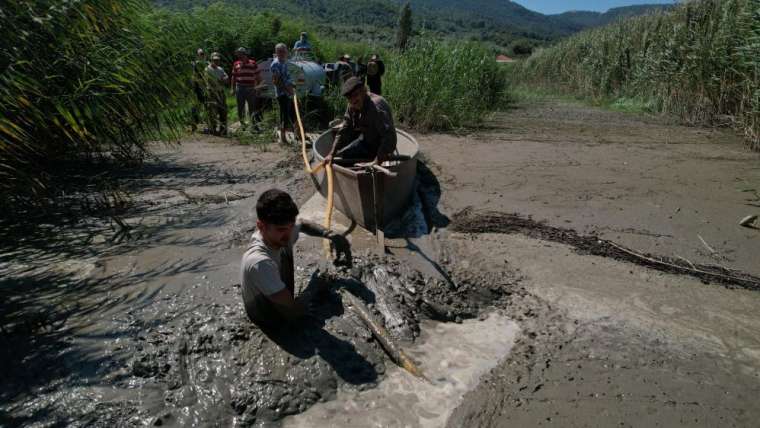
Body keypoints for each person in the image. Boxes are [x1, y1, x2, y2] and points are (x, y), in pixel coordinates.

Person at [240, 189, 351, 328]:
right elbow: (293, 308)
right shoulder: (259, 262)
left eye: (290, 226)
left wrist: (331, 235)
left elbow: (302, 224)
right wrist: (313, 292)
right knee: (317, 293)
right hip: (269, 317)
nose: (288, 234)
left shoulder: (280, 234)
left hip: (279, 295)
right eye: (281, 229)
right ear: (261, 226)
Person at [325, 77, 397, 165]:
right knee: (341, 157)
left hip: (382, 147)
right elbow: (344, 129)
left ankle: (373, 160)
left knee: (366, 165)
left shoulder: (375, 107)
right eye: (349, 98)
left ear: (363, 91)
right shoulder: (351, 105)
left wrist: (376, 161)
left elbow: (389, 138)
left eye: (355, 95)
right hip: (366, 142)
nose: (353, 100)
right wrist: (331, 154)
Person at [230, 47, 262, 130]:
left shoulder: (253, 63)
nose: (238, 56)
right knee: (240, 107)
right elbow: (233, 77)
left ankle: (253, 124)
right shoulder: (236, 63)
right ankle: (242, 124)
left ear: (244, 54)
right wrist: (232, 88)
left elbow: (258, 77)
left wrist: (258, 88)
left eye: (240, 54)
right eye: (238, 54)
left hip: (250, 88)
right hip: (239, 88)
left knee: (252, 107)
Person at [270, 43, 295, 144]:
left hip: (288, 92)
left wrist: (292, 85)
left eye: (283, 51)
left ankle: (293, 133)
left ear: (286, 52)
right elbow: (276, 81)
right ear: (276, 52)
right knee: (284, 115)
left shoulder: (285, 62)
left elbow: (287, 76)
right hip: (282, 93)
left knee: (291, 114)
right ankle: (283, 138)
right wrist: (287, 89)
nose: (282, 53)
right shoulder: (276, 64)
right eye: (280, 51)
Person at [205, 52, 229, 136]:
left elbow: (226, 78)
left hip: (221, 92)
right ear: (211, 60)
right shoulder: (207, 69)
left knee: (223, 111)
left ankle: (223, 130)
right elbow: (210, 81)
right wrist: (221, 80)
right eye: (214, 60)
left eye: (217, 60)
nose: (216, 61)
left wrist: (222, 80)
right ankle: (213, 129)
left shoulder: (220, 69)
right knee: (212, 112)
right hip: (212, 93)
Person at [191, 48, 208, 133]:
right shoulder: (195, 64)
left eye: (203, 53)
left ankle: (207, 126)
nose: (202, 55)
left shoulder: (207, 64)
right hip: (198, 88)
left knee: (207, 106)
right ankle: (194, 124)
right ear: (197, 55)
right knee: (195, 106)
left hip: (206, 88)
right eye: (200, 54)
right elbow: (194, 76)